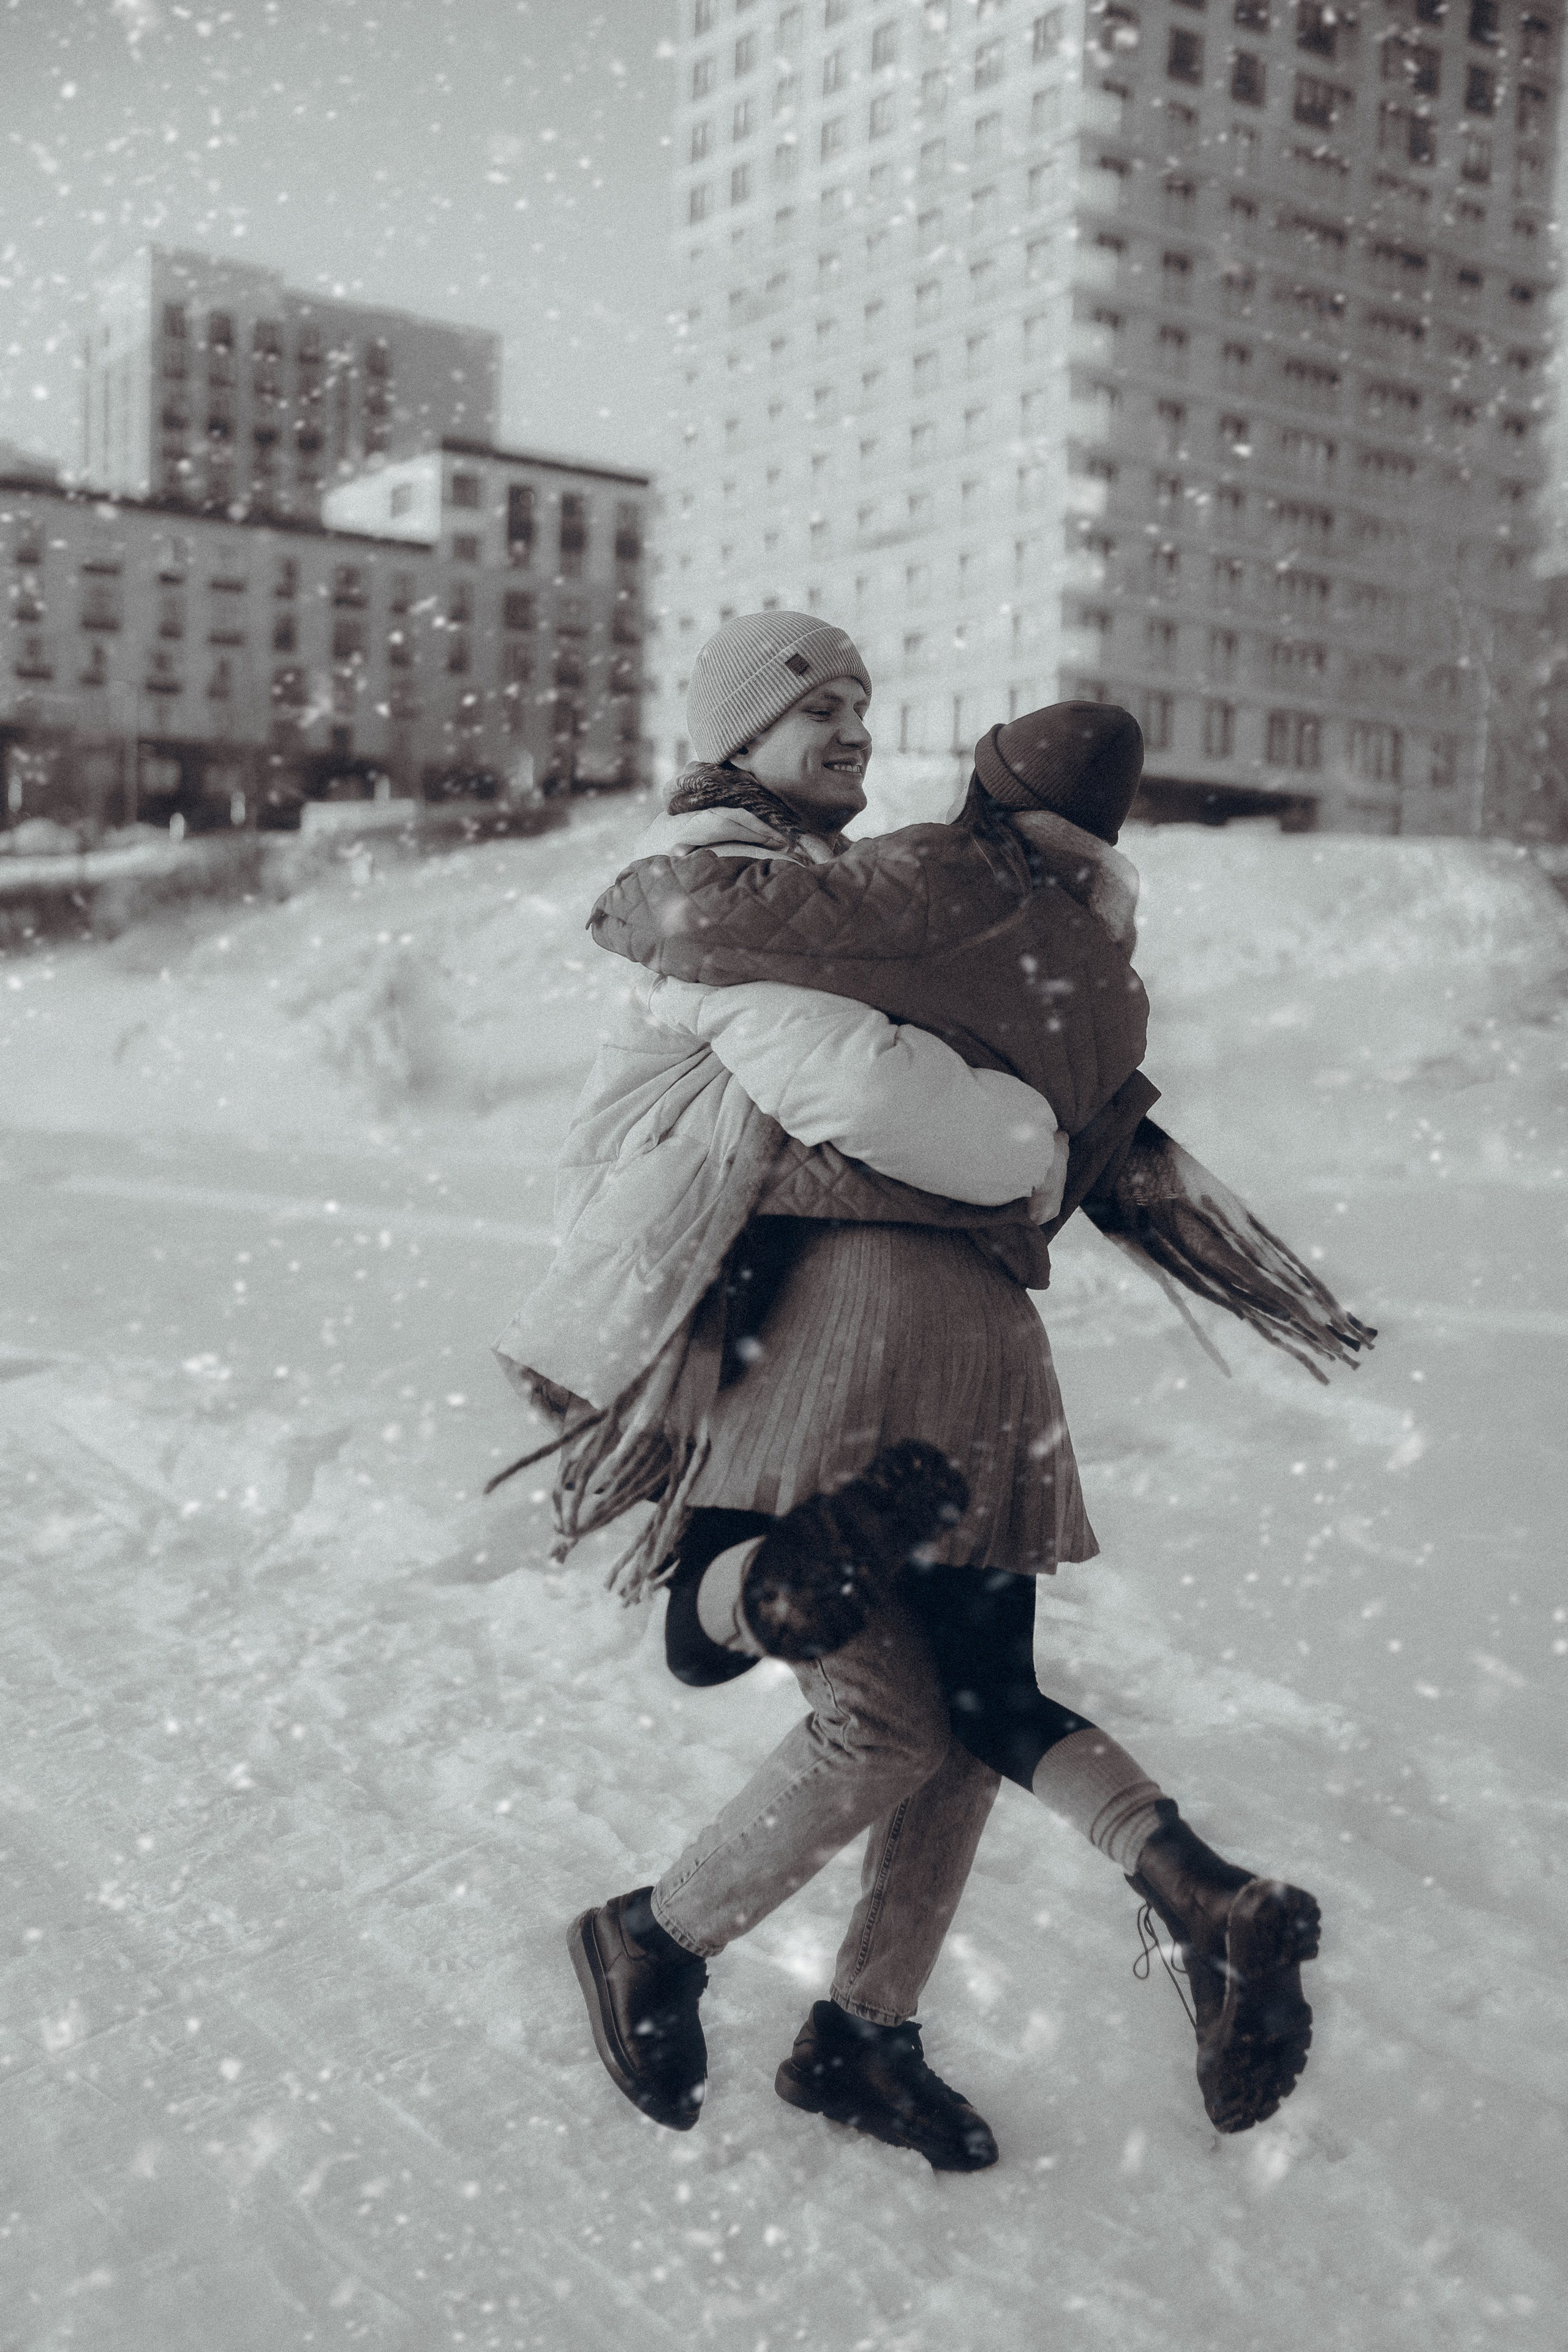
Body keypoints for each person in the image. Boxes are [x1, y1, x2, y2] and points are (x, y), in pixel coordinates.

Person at [496, 612, 1348, 2170]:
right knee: (917, 1698)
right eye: (810, 704)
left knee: (927, 1710)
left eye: (861, 704)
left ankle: (824, 2012)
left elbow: (888, 1075)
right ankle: (726, 1959)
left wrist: (1005, 1137)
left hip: (854, 1296)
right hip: (751, 1290)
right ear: (730, 732)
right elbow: (878, 1085)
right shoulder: (824, 893)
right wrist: (1023, 1145)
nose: (848, 726)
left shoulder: (882, 889)